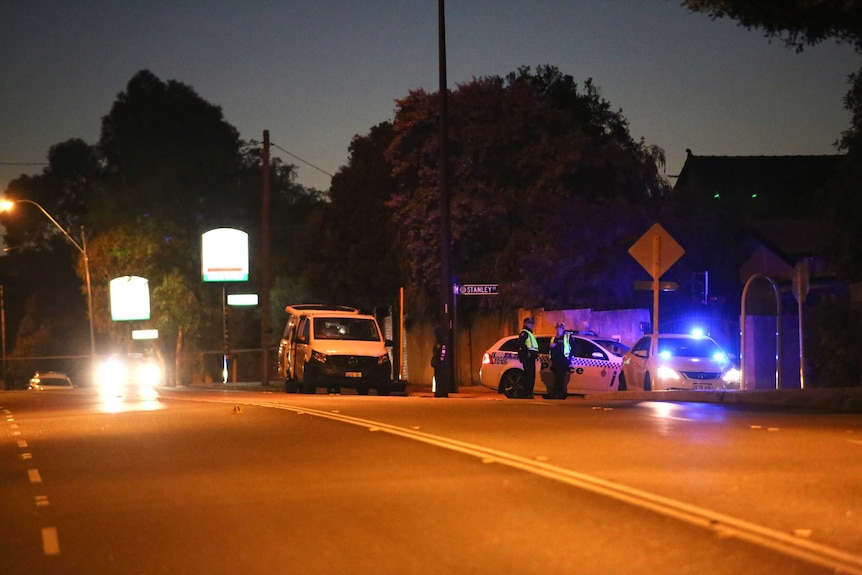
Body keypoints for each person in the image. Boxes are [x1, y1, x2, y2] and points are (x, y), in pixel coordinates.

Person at [516, 317, 539, 398]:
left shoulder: (529, 333)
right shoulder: (524, 333)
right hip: (527, 357)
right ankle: (527, 393)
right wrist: (527, 353)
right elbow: (521, 344)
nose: (532, 325)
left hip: (530, 357)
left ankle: (529, 393)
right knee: (529, 376)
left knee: (531, 376)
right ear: (525, 324)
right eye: (530, 323)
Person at [548, 322, 571, 399]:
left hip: (563, 360)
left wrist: (569, 358)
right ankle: (557, 394)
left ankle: (559, 394)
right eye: (557, 328)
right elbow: (550, 349)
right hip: (555, 361)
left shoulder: (567, 338)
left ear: (563, 330)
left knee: (560, 377)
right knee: (557, 377)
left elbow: (573, 348)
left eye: (560, 329)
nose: (558, 330)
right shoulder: (553, 338)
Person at [431, 325, 450, 398]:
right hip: (438, 364)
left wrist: (440, 361)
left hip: (441, 365)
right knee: (438, 378)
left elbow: (443, 352)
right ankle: (439, 391)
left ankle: (442, 392)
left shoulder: (443, 342)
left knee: (442, 378)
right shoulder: (438, 342)